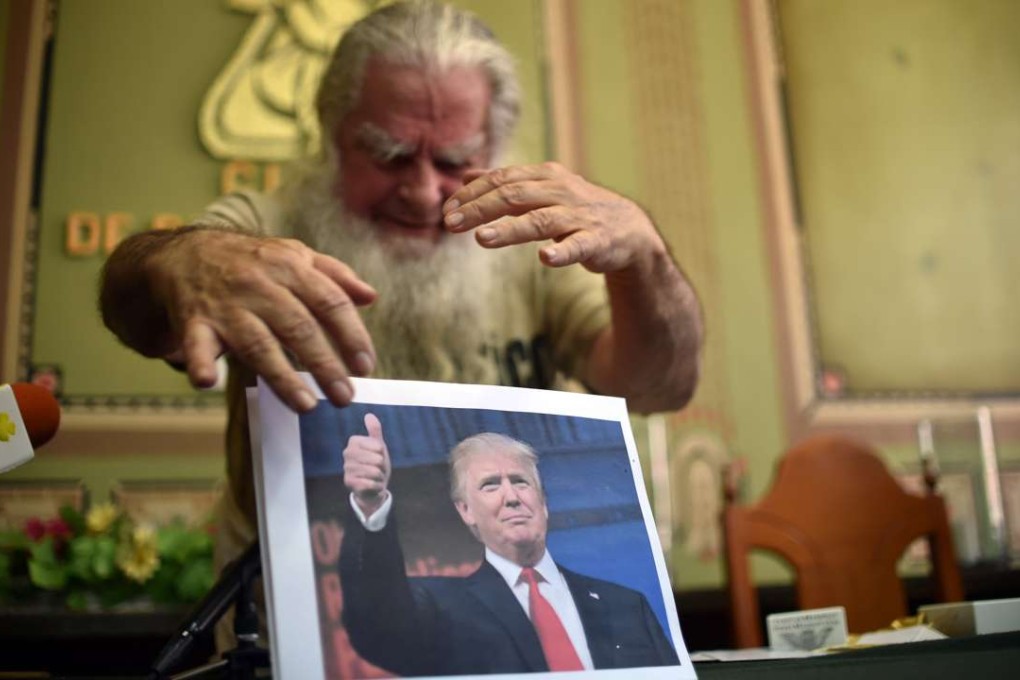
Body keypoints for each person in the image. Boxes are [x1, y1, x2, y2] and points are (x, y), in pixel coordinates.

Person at [98, 0, 702, 649]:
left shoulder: (533, 244)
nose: (422, 191)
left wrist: (646, 259)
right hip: (298, 633)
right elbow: (137, 309)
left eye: (454, 161)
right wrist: (179, 261)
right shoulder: (264, 226)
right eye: (387, 155)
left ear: (494, 147)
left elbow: (657, 388)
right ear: (333, 133)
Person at [340, 414, 680, 674]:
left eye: (520, 481)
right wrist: (371, 503)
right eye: (490, 485)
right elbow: (380, 628)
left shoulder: (627, 605)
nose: (512, 497)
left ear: (544, 503)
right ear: (465, 511)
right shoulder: (440, 609)